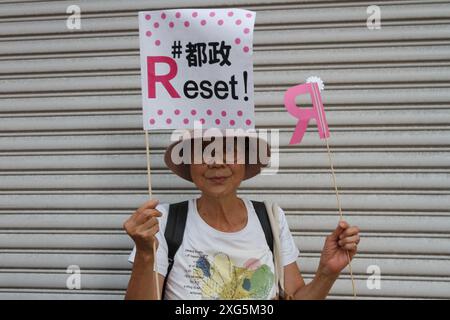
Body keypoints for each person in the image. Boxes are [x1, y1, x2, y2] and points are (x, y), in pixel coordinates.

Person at [123, 129, 360, 300]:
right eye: (203, 151)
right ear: (189, 165)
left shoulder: (271, 217)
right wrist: (145, 254)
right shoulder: (164, 221)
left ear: (245, 161)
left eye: (227, 150)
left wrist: (327, 273)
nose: (216, 162)